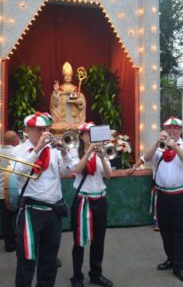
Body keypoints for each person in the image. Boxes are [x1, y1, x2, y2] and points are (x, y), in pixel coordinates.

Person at [13, 111, 73, 287]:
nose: (44, 132)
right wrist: (37, 148)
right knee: (26, 260)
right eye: (38, 129)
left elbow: (67, 172)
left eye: (46, 128)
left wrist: (64, 153)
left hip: (53, 212)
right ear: (27, 130)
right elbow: (19, 172)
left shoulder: (53, 151)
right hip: (31, 212)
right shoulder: (19, 150)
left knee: (49, 260)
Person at [141, 116, 183, 283]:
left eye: (175, 128)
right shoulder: (160, 146)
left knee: (181, 232)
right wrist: (157, 142)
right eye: (168, 127)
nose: (171, 130)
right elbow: (148, 158)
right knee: (165, 230)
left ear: (180, 130)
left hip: (180, 195)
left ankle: (180, 265)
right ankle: (171, 259)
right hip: (163, 195)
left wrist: (175, 147)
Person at [70, 122, 113, 287]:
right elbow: (77, 170)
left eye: (93, 133)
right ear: (81, 136)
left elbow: (109, 175)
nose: (91, 136)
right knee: (79, 241)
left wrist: (102, 155)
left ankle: (96, 274)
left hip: (100, 200)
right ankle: (77, 277)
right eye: (88, 133)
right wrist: (89, 151)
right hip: (83, 200)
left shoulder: (102, 152)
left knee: (99, 240)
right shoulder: (75, 151)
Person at [50, 61, 86, 134]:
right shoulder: (60, 89)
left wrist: (80, 102)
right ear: (63, 77)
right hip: (62, 118)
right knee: (57, 127)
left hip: (74, 118)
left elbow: (82, 101)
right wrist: (56, 92)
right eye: (66, 76)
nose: (68, 77)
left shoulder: (76, 89)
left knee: (78, 127)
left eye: (69, 76)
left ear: (71, 77)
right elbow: (54, 103)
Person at [0, 130, 19, 252]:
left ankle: (9, 245)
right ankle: (20, 241)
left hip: (0, 191)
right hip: (13, 190)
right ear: (15, 140)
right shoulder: (16, 153)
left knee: (5, 219)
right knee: (18, 217)